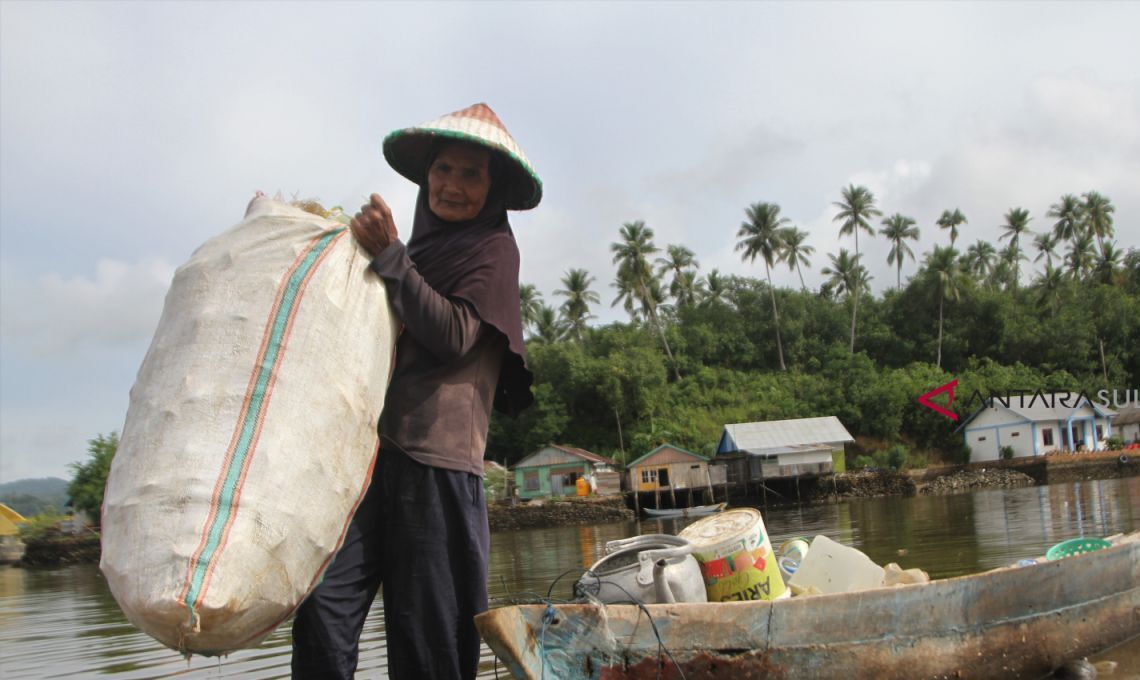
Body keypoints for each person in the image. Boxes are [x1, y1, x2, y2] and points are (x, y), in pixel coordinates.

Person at [291, 103, 541, 679]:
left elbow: (454, 334)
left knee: (428, 642)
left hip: (438, 467)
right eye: (443, 170)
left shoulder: (492, 250)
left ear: (493, 185)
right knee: (322, 611)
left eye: (470, 174)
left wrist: (389, 256)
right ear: (427, 175)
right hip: (372, 461)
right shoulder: (416, 254)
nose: (451, 185)